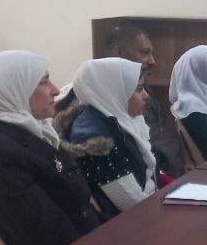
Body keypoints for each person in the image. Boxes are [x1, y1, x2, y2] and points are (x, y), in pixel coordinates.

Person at [0, 51, 102, 245]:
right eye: (44, 82)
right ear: (13, 89)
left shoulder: (32, 133)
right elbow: (50, 238)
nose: (55, 90)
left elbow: (78, 204)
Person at [56, 57, 157, 216]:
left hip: (144, 207)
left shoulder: (121, 118)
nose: (146, 96)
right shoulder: (94, 135)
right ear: (114, 92)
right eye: (139, 89)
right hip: (122, 223)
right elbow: (131, 203)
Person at [104, 22, 186, 180]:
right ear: (119, 53)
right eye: (144, 53)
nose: (152, 61)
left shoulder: (145, 89)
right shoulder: (113, 96)